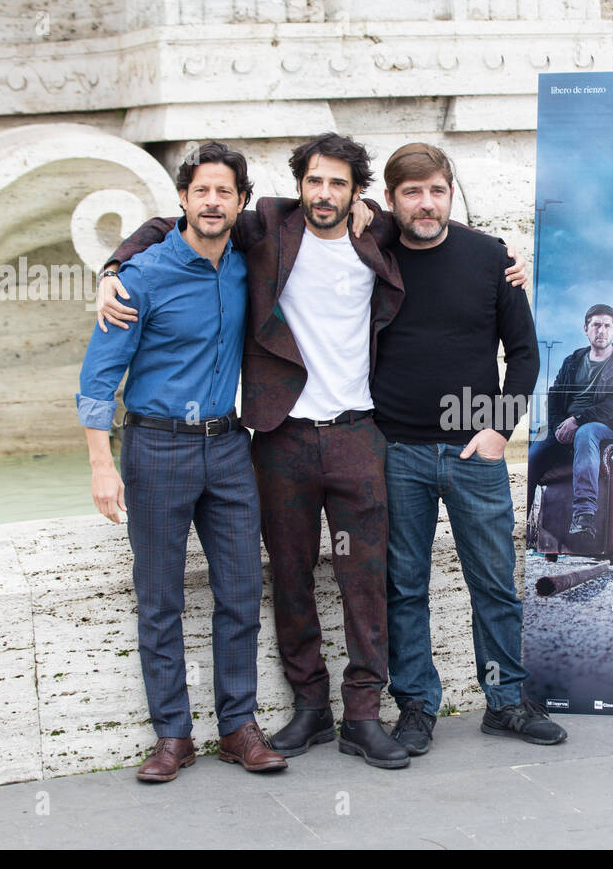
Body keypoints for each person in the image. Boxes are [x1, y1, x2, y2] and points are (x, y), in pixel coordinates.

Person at [100, 133, 411, 769]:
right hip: (280, 437)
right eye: (314, 181)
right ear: (299, 184)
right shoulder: (265, 227)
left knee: (364, 580)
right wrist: (112, 269)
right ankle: (310, 709)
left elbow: (433, 222)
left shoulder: (377, 236)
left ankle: (363, 713)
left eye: (338, 184)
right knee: (290, 577)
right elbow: (176, 218)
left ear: (358, 192)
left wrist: (505, 255)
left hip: (357, 433)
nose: (325, 194)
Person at [77, 142, 286, 781]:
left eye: (225, 192)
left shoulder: (248, 263)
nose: (213, 202)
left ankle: (237, 727)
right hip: (156, 447)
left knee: (242, 592)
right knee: (160, 599)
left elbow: (326, 211)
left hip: (229, 446)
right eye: (202, 191)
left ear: (241, 201)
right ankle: (172, 736)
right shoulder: (139, 277)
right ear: (182, 200)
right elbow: (98, 376)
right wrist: (100, 464)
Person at [371, 142, 566, 755]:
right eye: (412, 192)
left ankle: (506, 702)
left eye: (437, 190)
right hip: (396, 450)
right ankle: (416, 709)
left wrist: (498, 430)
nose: (426, 203)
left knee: (493, 583)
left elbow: (527, 354)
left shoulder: (490, 258)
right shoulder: (372, 255)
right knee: (404, 586)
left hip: (474, 452)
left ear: (450, 192)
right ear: (390, 199)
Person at [526, 304, 613, 550]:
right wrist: (558, 426)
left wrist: (578, 420)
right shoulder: (573, 360)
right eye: (596, 325)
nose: (602, 330)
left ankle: (584, 514)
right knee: (533, 454)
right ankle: (520, 521)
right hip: (564, 425)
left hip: (601, 427)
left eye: (607, 325)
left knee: (586, 433)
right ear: (586, 329)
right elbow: (554, 395)